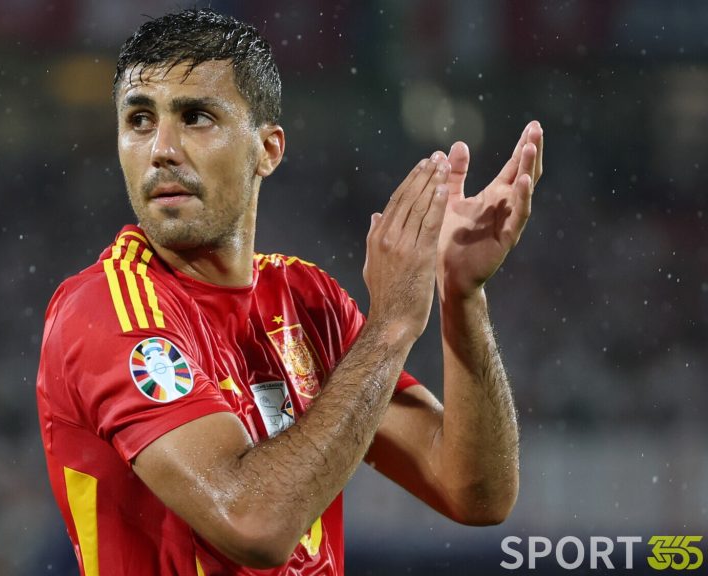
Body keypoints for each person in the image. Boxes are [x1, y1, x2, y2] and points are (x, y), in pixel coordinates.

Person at [37, 8, 543, 575]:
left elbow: (475, 492)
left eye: (196, 117)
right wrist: (391, 327)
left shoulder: (307, 299)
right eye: (139, 120)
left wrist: (463, 297)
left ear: (268, 149)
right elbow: (253, 524)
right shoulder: (105, 310)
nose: (162, 148)